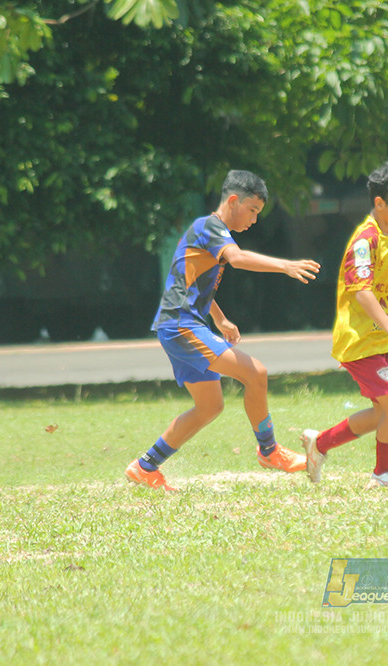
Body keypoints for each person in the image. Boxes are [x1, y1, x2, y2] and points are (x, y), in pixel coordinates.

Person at [125, 170, 320, 491]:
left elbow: (186, 278)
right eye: (253, 210)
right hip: (180, 325)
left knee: (210, 406)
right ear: (233, 201)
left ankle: (145, 467)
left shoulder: (207, 231)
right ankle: (270, 451)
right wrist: (285, 265)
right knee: (256, 373)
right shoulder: (210, 227)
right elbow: (238, 258)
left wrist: (219, 317)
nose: (255, 219)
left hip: (179, 325)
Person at [301, 162, 388, 488]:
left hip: (376, 339)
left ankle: (320, 444)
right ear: (379, 203)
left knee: (384, 413)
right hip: (359, 340)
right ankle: (383, 474)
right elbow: (363, 294)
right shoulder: (364, 240)